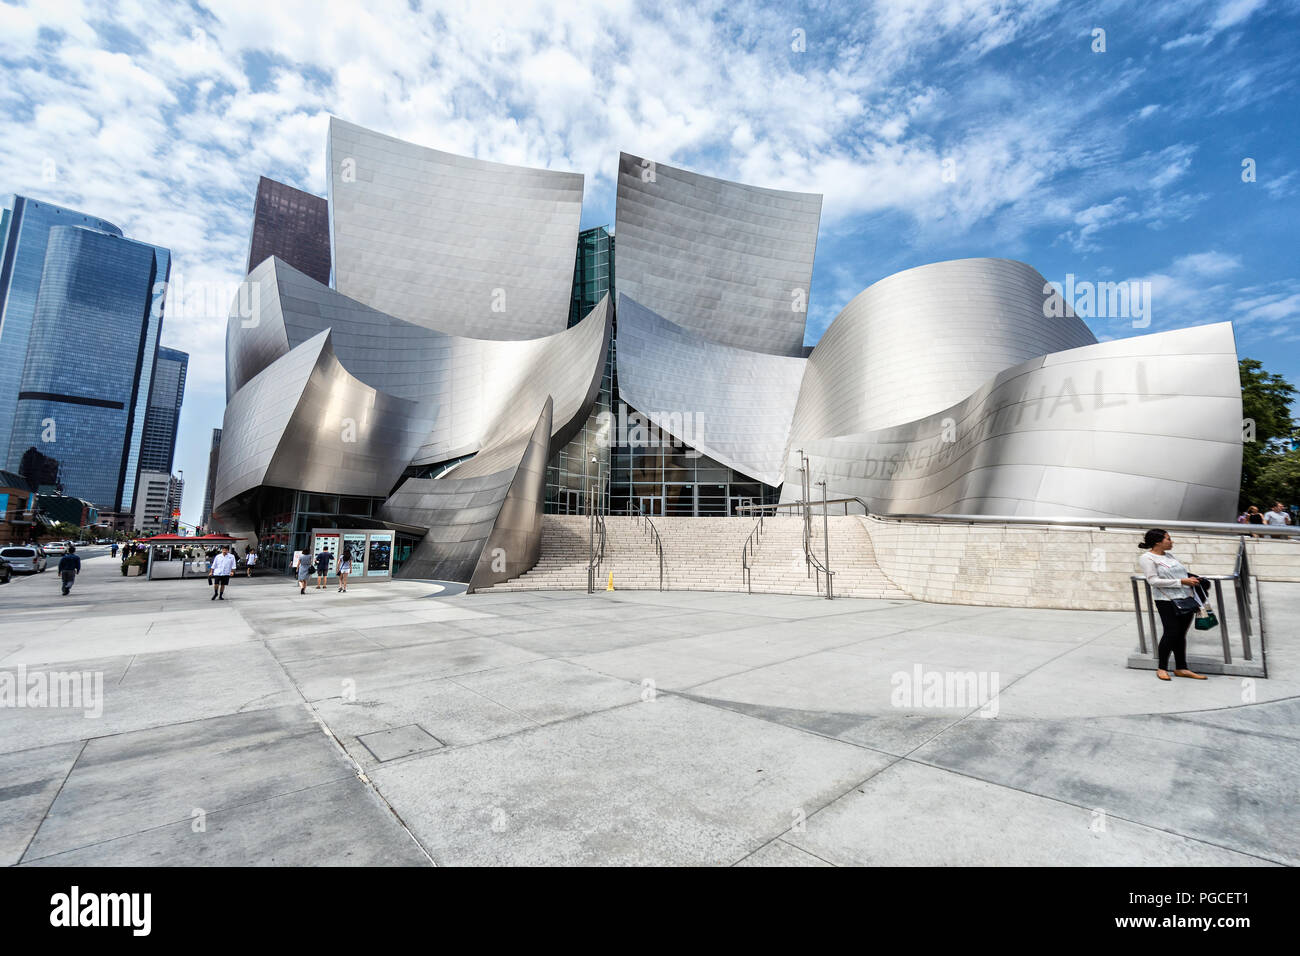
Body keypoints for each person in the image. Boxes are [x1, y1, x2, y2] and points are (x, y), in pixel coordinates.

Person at [1138, 529, 1209, 681]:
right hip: (1166, 601)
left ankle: (1181, 668)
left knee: (1181, 634)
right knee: (1171, 633)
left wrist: (1192, 579)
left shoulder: (1169, 556)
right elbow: (1153, 581)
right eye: (1168, 539)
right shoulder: (1147, 558)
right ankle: (1162, 667)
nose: (1171, 541)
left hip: (1186, 598)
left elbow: (1180, 573)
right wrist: (1181, 582)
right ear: (1158, 541)